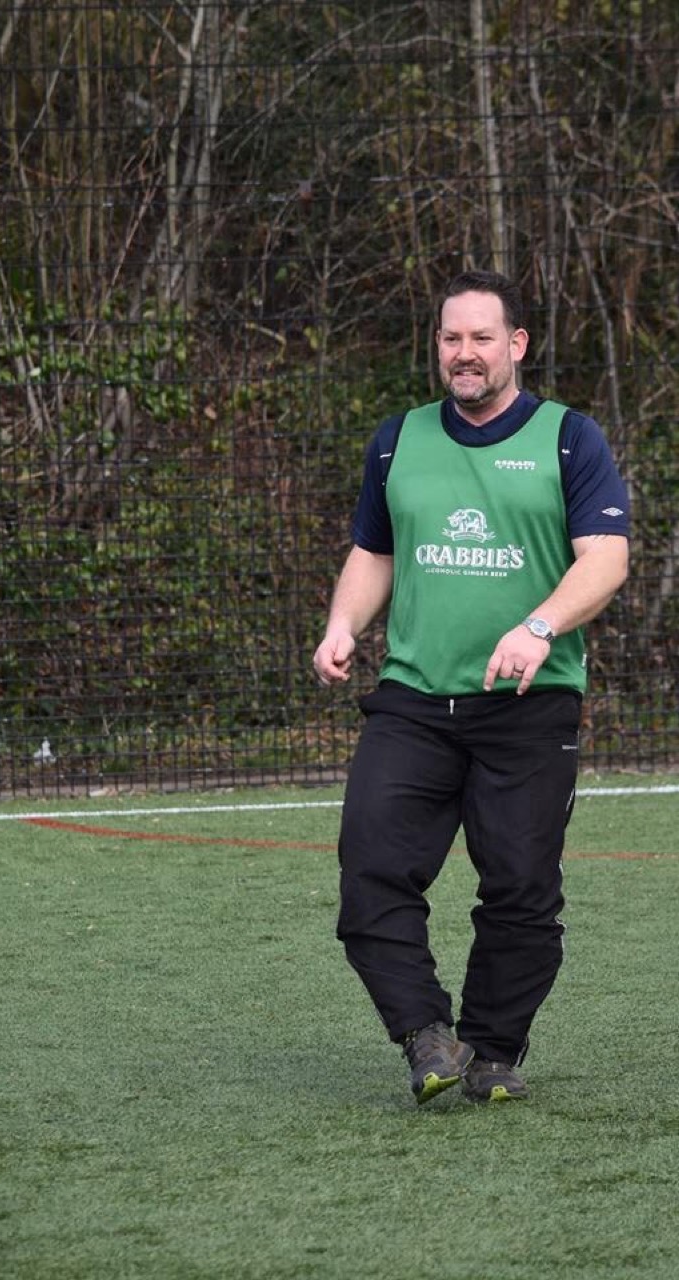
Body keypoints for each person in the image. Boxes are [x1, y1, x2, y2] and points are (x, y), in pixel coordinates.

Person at [313, 270, 629, 1104]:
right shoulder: (398, 440)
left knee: (521, 889)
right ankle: (426, 1035)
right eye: (451, 338)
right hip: (412, 702)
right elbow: (374, 550)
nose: (464, 353)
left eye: (481, 338)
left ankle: (492, 1051)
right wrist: (343, 624)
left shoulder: (569, 439)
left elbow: (605, 559)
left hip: (529, 706)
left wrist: (538, 628)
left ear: (514, 345)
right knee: (370, 871)